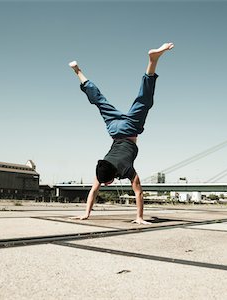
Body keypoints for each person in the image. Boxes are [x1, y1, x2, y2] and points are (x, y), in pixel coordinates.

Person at [69, 42, 174, 224]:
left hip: (131, 128)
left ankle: (153, 61)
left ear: (109, 180)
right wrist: (86, 213)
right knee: (100, 101)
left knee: (144, 101)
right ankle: (78, 71)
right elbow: (93, 191)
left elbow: (138, 192)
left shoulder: (125, 169)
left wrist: (139, 217)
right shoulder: (101, 167)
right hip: (114, 128)